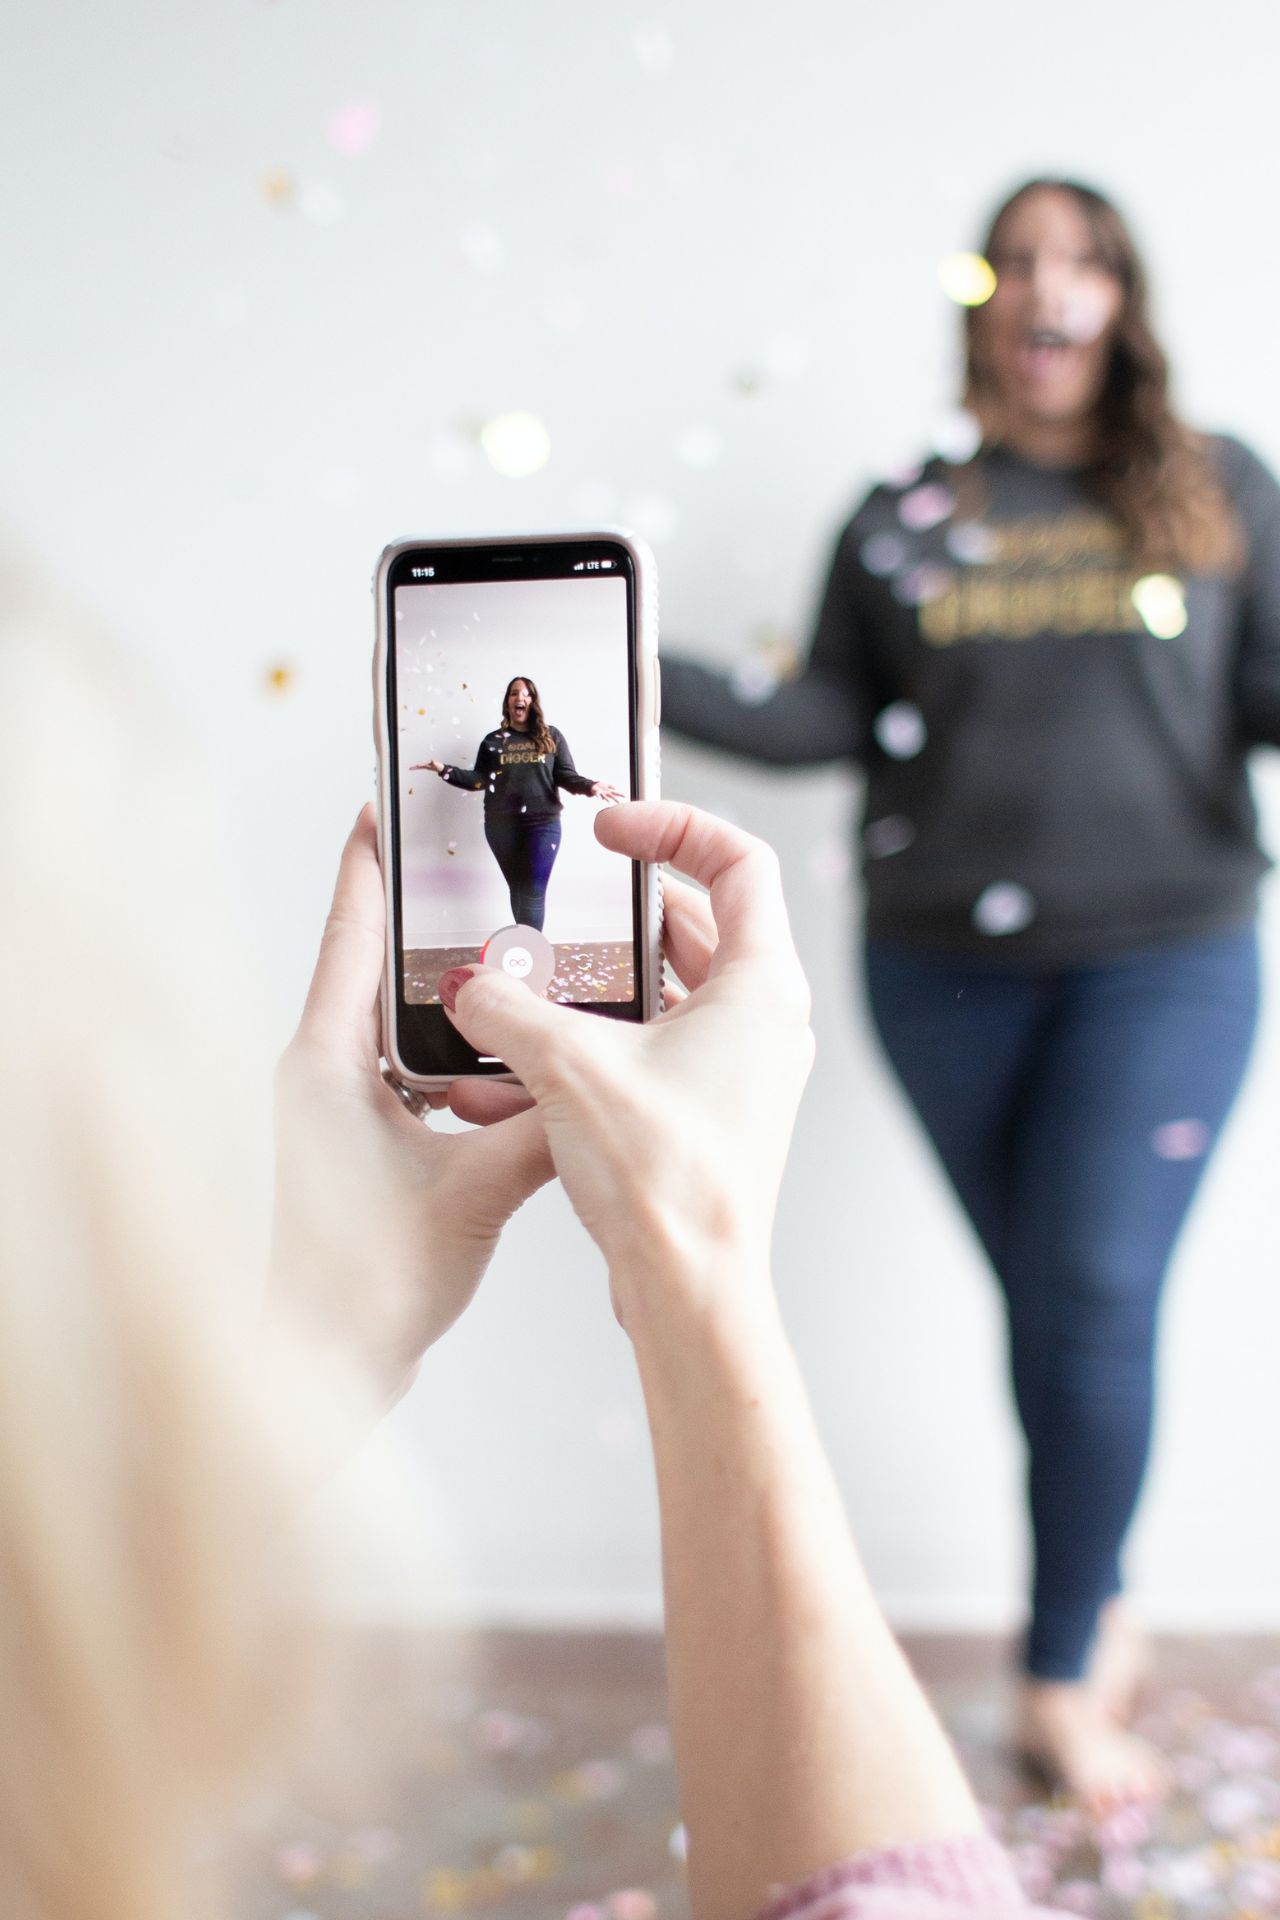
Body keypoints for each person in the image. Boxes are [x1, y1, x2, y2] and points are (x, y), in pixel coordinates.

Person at [0, 524, 1073, 1914]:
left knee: (529, 896)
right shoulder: (494, 744)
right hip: (507, 828)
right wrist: (693, 1252)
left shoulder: (545, 738)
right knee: (516, 893)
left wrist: (340, 1319)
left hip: (544, 832)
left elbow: (47, 1673)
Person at [659, 176, 1280, 1803]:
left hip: (1168, 957)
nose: (1045, 286)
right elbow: (818, 717)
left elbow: (1270, 693)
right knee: (1060, 1310)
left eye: (1080, 260)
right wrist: (617, 658)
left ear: (1122, 300)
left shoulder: (1218, 490)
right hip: (943, 975)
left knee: (1091, 1295)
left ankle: (1062, 1670)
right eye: (1015, 262)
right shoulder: (900, 514)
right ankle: (1100, 1597)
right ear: (980, 304)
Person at [411, 675, 623, 932]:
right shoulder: (493, 741)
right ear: (508, 702)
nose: (519, 697)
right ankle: (524, 947)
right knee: (519, 889)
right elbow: (479, 780)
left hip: (543, 824)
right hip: (501, 826)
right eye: (514, 693)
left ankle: (530, 947)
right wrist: (444, 770)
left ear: (533, 701)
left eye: (526, 693)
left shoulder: (551, 737)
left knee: (534, 890)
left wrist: (591, 786)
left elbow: (565, 776)